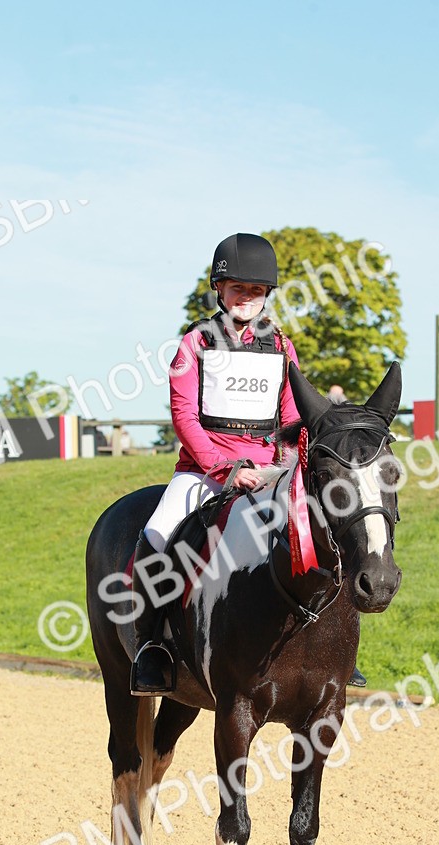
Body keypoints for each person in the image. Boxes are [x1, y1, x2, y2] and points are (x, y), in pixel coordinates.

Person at [130, 232, 365, 694]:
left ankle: (335, 651)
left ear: (266, 296)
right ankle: (150, 646)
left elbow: (294, 414)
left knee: (331, 531)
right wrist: (227, 469)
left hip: (270, 473)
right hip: (203, 473)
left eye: (255, 291)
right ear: (219, 289)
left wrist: (292, 461)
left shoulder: (280, 345)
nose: (246, 298)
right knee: (156, 537)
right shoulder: (194, 344)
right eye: (238, 288)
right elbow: (185, 417)